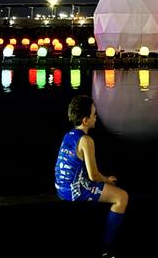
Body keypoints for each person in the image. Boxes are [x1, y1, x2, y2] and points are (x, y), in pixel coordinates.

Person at [55, 95, 128, 255]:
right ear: (86, 120)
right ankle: (106, 247)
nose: (96, 117)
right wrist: (107, 179)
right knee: (121, 197)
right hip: (73, 192)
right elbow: (94, 175)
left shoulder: (68, 135)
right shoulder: (86, 140)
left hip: (60, 188)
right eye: (94, 114)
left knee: (104, 188)